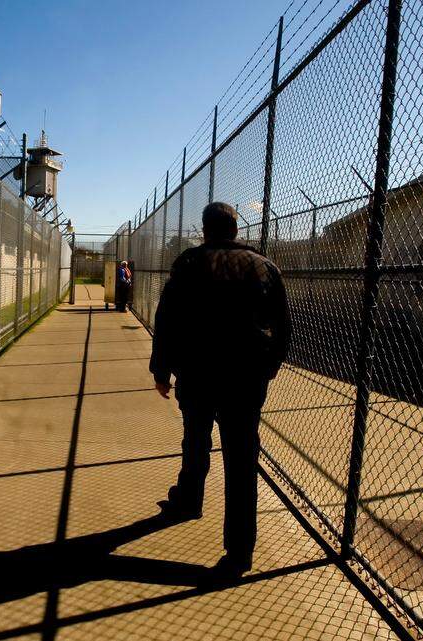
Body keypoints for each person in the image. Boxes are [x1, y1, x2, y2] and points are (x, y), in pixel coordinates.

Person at [149, 202, 291, 577]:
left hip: (198, 371)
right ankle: (240, 551)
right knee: (242, 459)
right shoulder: (265, 267)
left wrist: (161, 368)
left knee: (195, 437)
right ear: (236, 229)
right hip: (245, 376)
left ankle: (189, 499)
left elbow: (168, 318)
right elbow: (283, 324)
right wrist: (271, 364)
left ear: (205, 229)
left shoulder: (190, 263)